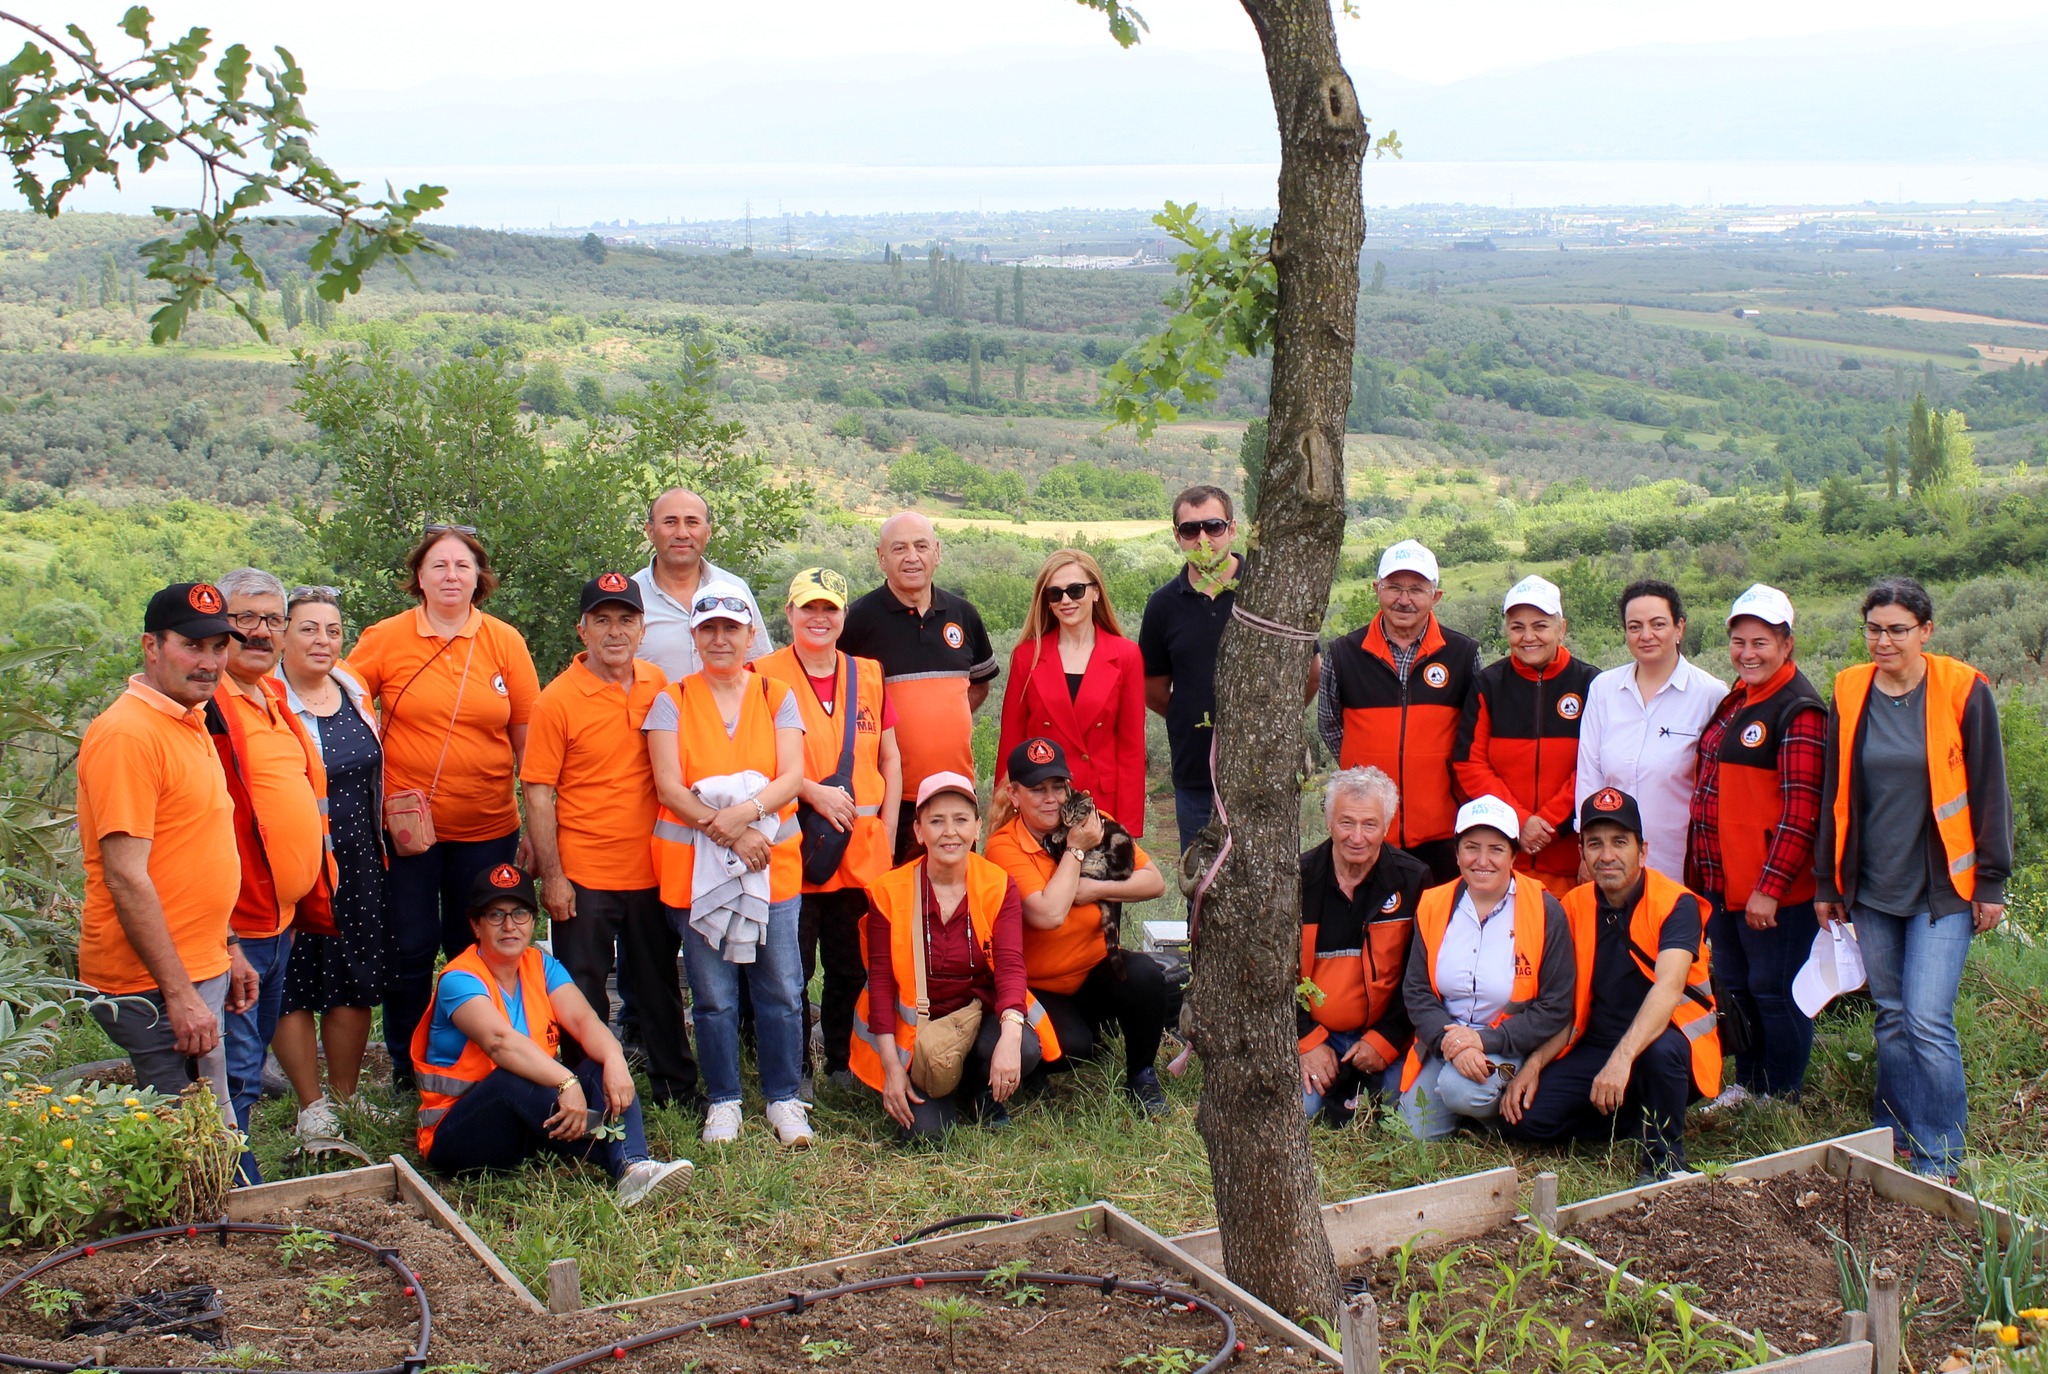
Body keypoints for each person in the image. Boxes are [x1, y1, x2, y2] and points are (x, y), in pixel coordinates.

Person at [1815, 577, 2012, 1180]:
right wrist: (1828, 882)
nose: (1883, 641)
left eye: (1898, 629)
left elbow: (1988, 788)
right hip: (1871, 887)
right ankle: (1894, 1139)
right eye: (1874, 628)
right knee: (1892, 1015)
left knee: (1927, 1018)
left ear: (1926, 631)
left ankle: (1941, 1155)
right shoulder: (1850, 690)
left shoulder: (1962, 688)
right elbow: (1835, 794)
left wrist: (1991, 882)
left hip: (1943, 888)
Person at [346, 525, 541, 1088]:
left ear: (480, 577)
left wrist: (534, 823)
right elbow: (342, 706)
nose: (452, 575)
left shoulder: (505, 641)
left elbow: (526, 734)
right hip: (409, 832)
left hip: (487, 826)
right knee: (409, 947)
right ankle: (408, 1066)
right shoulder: (386, 637)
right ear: (419, 578)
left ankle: (472, 1060)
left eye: (463, 566)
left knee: (474, 946)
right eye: (439, 566)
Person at [520, 573, 701, 1111]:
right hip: (585, 874)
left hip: (651, 869)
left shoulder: (657, 685)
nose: (615, 631)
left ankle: (677, 1088)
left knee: (659, 987)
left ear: (643, 629)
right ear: (583, 630)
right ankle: (589, 1091)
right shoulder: (557, 701)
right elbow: (537, 793)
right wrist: (552, 877)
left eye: (626, 619)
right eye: (602, 620)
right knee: (583, 992)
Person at [411, 864, 694, 1208]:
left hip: (521, 1123)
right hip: (457, 1133)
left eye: (519, 913)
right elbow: (499, 1043)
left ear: (533, 922)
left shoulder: (540, 964)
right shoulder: (460, 978)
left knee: (600, 1062)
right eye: (496, 915)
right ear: (476, 925)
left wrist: (615, 1059)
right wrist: (566, 1082)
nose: (509, 925)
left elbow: (585, 1020)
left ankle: (634, 1165)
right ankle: (624, 1165)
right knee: (510, 1079)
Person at [644, 582, 813, 1147]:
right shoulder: (672, 698)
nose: (720, 639)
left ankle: (785, 1098)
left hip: (775, 869)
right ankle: (724, 1101)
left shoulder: (776, 694)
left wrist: (742, 815)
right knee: (713, 996)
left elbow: (791, 775)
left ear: (749, 635)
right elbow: (669, 786)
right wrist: (730, 834)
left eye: (730, 629)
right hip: (699, 873)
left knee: (783, 989)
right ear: (695, 635)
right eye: (708, 628)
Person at [78, 583, 252, 1112]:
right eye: (192, 646)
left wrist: (228, 945)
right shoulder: (129, 735)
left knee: (213, 1122)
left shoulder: (187, 719)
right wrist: (178, 995)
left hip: (199, 964)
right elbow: (125, 876)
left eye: (219, 647)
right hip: (153, 981)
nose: (209, 662)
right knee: (188, 1139)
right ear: (151, 647)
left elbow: (189, 850)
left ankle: (233, 1190)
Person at [1501, 788, 1722, 1184]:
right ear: (1582, 853)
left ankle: (1665, 1159)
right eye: (1595, 844)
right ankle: (1632, 1120)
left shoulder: (1676, 904)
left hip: (1671, 1042)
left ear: (1643, 850)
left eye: (1620, 842)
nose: (1607, 855)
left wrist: (1621, 1062)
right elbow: (1564, 1004)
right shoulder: (1573, 904)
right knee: (1526, 1120)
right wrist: (1533, 1064)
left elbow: (1668, 990)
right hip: (1598, 1043)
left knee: (1660, 1055)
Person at [206, 567, 336, 1184]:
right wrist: (224, 931)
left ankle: (237, 1164)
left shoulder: (273, 700)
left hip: (280, 915)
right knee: (231, 1059)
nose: (259, 633)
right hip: (237, 921)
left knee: (249, 1053)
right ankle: (230, 1180)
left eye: (271, 620)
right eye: (244, 619)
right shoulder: (210, 708)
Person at [849, 773, 1063, 1138]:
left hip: (977, 1016)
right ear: (918, 831)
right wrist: (893, 1070)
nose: (950, 832)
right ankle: (943, 1083)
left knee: (1024, 1047)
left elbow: (1011, 965)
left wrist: (1009, 1040)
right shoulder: (890, 892)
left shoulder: (998, 884)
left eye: (961, 820)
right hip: (920, 1031)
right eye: (936, 821)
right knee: (925, 1135)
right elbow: (881, 984)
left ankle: (982, 1091)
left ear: (978, 827)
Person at [754, 568, 903, 1094]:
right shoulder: (761, 674)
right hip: (793, 849)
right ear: (789, 613)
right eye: (807, 608)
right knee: (790, 971)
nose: (819, 618)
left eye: (829, 609)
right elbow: (753, 762)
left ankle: (840, 1061)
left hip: (861, 853)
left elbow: (889, 755)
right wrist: (811, 791)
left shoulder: (870, 674)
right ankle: (796, 1071)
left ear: (843, 616)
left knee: (850, 968)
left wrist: (887, 829)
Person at [1687, 583, 1825, 1108]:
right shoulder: (1739, 698)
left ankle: (1781, 1091)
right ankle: (1749, 1082)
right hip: (1724, 880)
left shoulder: (1799, 710)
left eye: (1761, 642)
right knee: (1738, 986)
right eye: (1739, 642)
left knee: (1777, 989)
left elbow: (1802, 812)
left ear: (1787, 644)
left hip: (1774, 890)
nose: (1748, 653)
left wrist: (1770, 887)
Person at [982, 737, 1172, 1116]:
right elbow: (1048, 914)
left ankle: (1142, 1076)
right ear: (1015, 795)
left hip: (1093, 970)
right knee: (1074, 1048)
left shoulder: (1090, 821)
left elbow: (1155, 882)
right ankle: (1045, 1059)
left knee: (1147, 977)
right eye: (1037, 789)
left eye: (1058, 786)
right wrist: (1077, 849)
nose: (1051, 798)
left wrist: (1094, 889)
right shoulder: (1005, 847)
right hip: (1039, 984)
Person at [1139, 485, 1321, 852]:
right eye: (1190, 530)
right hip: (1195, 775)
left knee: (1268, 876)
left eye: (1213, 526)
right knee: (1203, 885)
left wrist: (1269, 721)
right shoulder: (1162, 606)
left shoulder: (1267, 591)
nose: (1202, 538)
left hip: (1265, 768)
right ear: (1177, 536)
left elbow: (1310, 671)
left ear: (1232, 529)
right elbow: (1153, 689)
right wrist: (1190, 715)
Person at [271, 586, 388, 1145]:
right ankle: (310, 1104)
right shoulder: (264, 699)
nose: (323, 641)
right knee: (292, 979)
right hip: (291, 861)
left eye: (333, 630)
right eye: (309, 629)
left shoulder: (352, 689)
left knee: (354, 975)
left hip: (359, 858)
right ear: (282, 635)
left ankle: (347, 1094)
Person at [1398, 795, 1574, 1140]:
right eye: (1471, 847)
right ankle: (1472, 1111)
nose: (1482, 860)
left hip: (1509, 1043)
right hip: (1447, 1041)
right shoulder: (1434, 904)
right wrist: (1452, 1044)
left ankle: (1493, 1117)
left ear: (1514, 855)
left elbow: (1556, 1007)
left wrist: (1482, 1040)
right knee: (1411, 1131)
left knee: (1459, 1090)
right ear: (1456, 852)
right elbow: (1416, 990)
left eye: (1495, 849)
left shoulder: (1545, 909)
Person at [838, 511, 1000, 863]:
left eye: (921, 546)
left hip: (955, 796)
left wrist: (938, 719)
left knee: (951, 905)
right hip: (888, 799)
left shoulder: (964, 614)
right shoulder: (858, 621)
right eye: (899, 548)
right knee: (887, 903)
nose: (912, 557)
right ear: (882, 558)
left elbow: (976, 685)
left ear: (937, 553)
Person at [1319, 539, 1483, 884]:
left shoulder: (1463, 654)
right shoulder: (1344, 653)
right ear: (1377, 588)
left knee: (1437, 930)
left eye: (1416, 590)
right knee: (1373, 933)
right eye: (1394, 587)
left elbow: (1474, 734)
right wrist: (1364, 775)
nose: (1404, 600)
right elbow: (1329, 725)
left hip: (1444, 833)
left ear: (1435, 596)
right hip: (1366, 837)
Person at [1454, 575, 1599, 901]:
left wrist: (1547, 824)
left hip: (1571, 862)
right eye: (1517, 627)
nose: (1528, 636)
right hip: (1504, 862)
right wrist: (1519, 821)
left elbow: (1596, 766)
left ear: (1561, 629)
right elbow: (1468, 764)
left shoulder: (1592, 683)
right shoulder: (1488, 685)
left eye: (1541, 626)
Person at [1297, 767, 1429, 1123]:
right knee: (1301, 1111)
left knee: (1402, 1109)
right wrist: (1306, 1041)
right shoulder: (1298, 880)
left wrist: (1385, 1039)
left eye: (1369, 825)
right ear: (1328, 823)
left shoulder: (1414, 880)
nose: (1357, 836)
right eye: (1346, 823)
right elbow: (1272, 978)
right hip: (1316, 1035)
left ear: (1386, 827)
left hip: (1386, 1035)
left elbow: (1423, 976)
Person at [1575, 580, 1728, 884]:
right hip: (1610, 864)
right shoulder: (1604, 689)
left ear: (1679, 628)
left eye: (1658, 624)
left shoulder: (1711, 695)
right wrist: (1586, 850)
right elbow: (1589, 775)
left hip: (1678, 863)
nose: (1646, 635)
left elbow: (1717, 789)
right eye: (1635, 626)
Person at [996, 548, 1147, 836]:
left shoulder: (1126, 655)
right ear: (1047, 602)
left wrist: (1127, 828)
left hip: (1100, 806)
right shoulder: (1027, 656)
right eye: (1055, 594)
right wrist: (1004, 815)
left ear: (1096, 593)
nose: (1066, 600)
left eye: (1076, 590)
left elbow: (1131, 750)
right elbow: (1011, 743)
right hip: (1042, 806)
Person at [632, 487, 773, 684]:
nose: (682, 533)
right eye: (670, 522)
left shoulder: (734, 588)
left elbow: (760, 665)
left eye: (692, 522)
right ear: (650, 531)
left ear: (708, 532)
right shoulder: (630, 598)